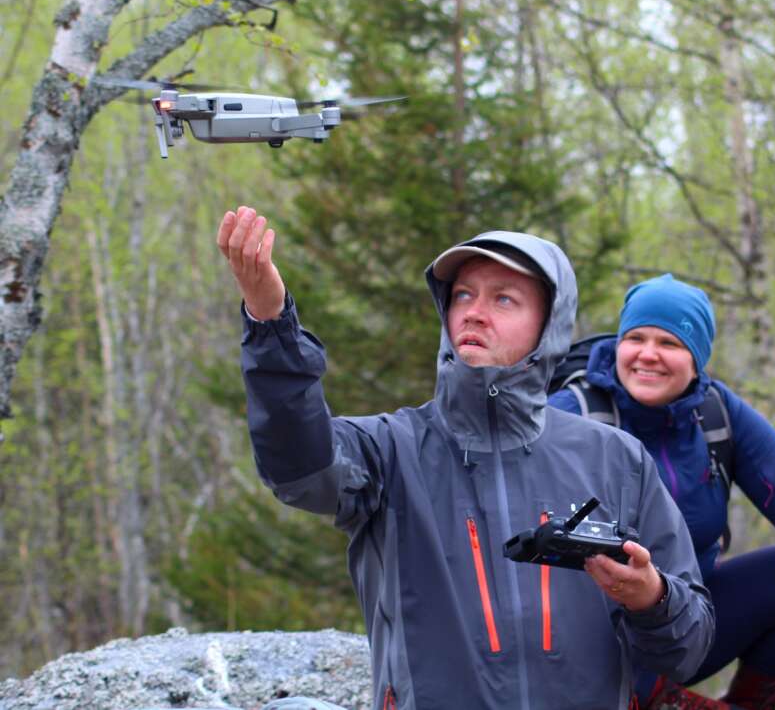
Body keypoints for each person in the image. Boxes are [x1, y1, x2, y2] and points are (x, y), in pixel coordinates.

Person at [216, 207, 715, 710]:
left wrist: (651, 597)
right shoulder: (391, 449)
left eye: (504, 298)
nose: (475, 312)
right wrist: (271, 324)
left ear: (550, 325)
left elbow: (689, 648)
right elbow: (299, 470)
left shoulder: (614, 459)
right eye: (462, 296)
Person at [549, 274, 775, 710]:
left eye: (670, 343)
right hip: (582, 649)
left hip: (682, 628)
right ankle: (651, 698)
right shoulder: (571, 416)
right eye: (635, 337)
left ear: (697, 360)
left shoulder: (715, 415)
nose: (648, 354)